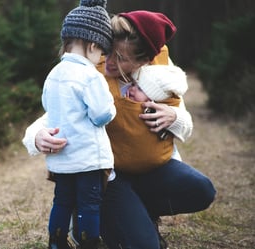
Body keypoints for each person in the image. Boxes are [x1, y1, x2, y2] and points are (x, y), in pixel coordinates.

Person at [22, 10, 216, 249]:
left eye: (122, 58)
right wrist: (36, 136)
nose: (110, 62)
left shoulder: (160, 73)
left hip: (152, 170)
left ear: (144, 60)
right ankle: (88, 215)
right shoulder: (90, 70)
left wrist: (174, 116)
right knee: (145, 246)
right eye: (108, 52)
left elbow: (185, 124)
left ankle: (137, 213)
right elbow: (54, 113)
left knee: (202, 190)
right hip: (109, 177)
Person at [42, 1, 116, 248]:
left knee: (62, 201)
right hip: (87, 158)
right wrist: (111, 106)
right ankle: (89, 242)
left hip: (62, 158)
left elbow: (47, 105)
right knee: (88, 205)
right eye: (101, 53)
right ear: (93, 45)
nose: (100, 59)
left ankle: (56, 241)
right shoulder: (90, 75)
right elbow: (101, 114)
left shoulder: (54, 74)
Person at [110, 64, 188, 173]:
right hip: (120, 166)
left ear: (153, 99)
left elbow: (187, 127)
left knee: (202, 185)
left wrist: (175, 117)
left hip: (159, 163)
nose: (132, 89)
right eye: (133, 84)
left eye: (140, 89)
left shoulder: (160, 107)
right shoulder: (119, 94)